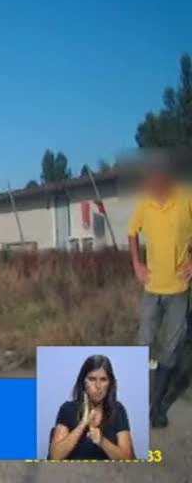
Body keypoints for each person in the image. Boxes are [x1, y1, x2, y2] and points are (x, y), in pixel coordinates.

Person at [128, 154, 192, 428]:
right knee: (143, 343)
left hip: (178, 289)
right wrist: (137, 264)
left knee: (171, 348)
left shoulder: (186, 198)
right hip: (152, 288)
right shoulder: (146, 201)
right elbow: (132, 233)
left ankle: (156, 408)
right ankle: (130, 403)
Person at [48, 355, 135, 460]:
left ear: (110, 383)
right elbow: (55, 457)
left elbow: (128, 459)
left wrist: (102, 441)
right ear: (83, 382)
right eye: (92, 379)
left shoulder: (117, 409)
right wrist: (83, 424)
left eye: (103, 380)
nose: (98, 386)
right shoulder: (68, 409)